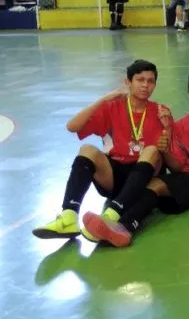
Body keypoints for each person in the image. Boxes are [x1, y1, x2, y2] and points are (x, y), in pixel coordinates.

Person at [81, 68, 189, 248]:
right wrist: (166, 150)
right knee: (154, 184)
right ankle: (124, 227)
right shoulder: (181, 125)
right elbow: (177, 168)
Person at [32, 60, 172, 240]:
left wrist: (167, 129)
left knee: (152, 150)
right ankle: (69, 217)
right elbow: (72, 126)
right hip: (114, 176)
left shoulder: (161, 112)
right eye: (140, 80)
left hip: (144, 179)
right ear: (128, 82)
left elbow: (169, 156)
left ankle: (111, 216)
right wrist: (104, 99)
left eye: (150, 81)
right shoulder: (112, 107)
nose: (145, 85)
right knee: (87, 149)